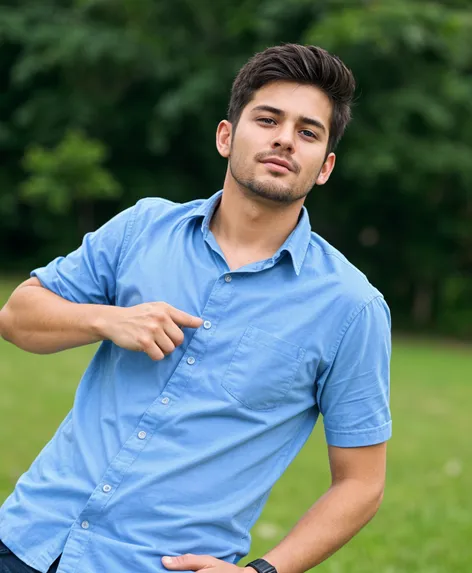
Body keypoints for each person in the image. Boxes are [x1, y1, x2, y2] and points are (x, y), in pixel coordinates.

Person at [0, 43, 391, 573]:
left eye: (308, 131)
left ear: (324, 166)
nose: (283, 139)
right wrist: (106, 319)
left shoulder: (352, 307)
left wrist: (263, 572)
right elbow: (17, 317)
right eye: (268, 119)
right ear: (226, 136)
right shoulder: (142, 227)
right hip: (27, 535)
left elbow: (361, 484)